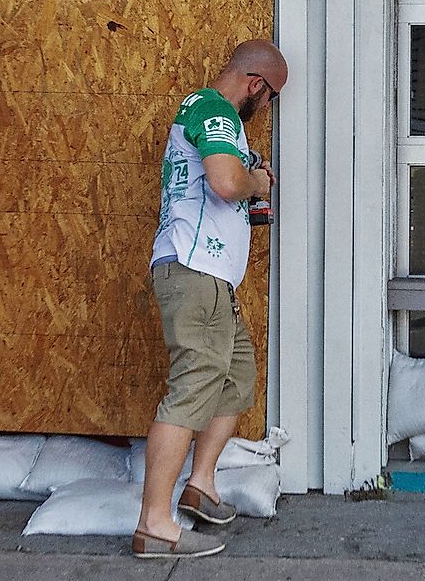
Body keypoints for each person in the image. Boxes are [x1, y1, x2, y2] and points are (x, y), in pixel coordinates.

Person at [133, 39, 286, 559]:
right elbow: (223, 183)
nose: (267, 109)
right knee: (193, 385)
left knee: (237, 372)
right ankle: (155, 523)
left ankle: (200, 484)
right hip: (194, 270)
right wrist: (258, 184)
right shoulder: (215, 108)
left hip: (211, 277)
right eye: (271, 98)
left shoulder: (215, 118)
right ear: (255, 84)